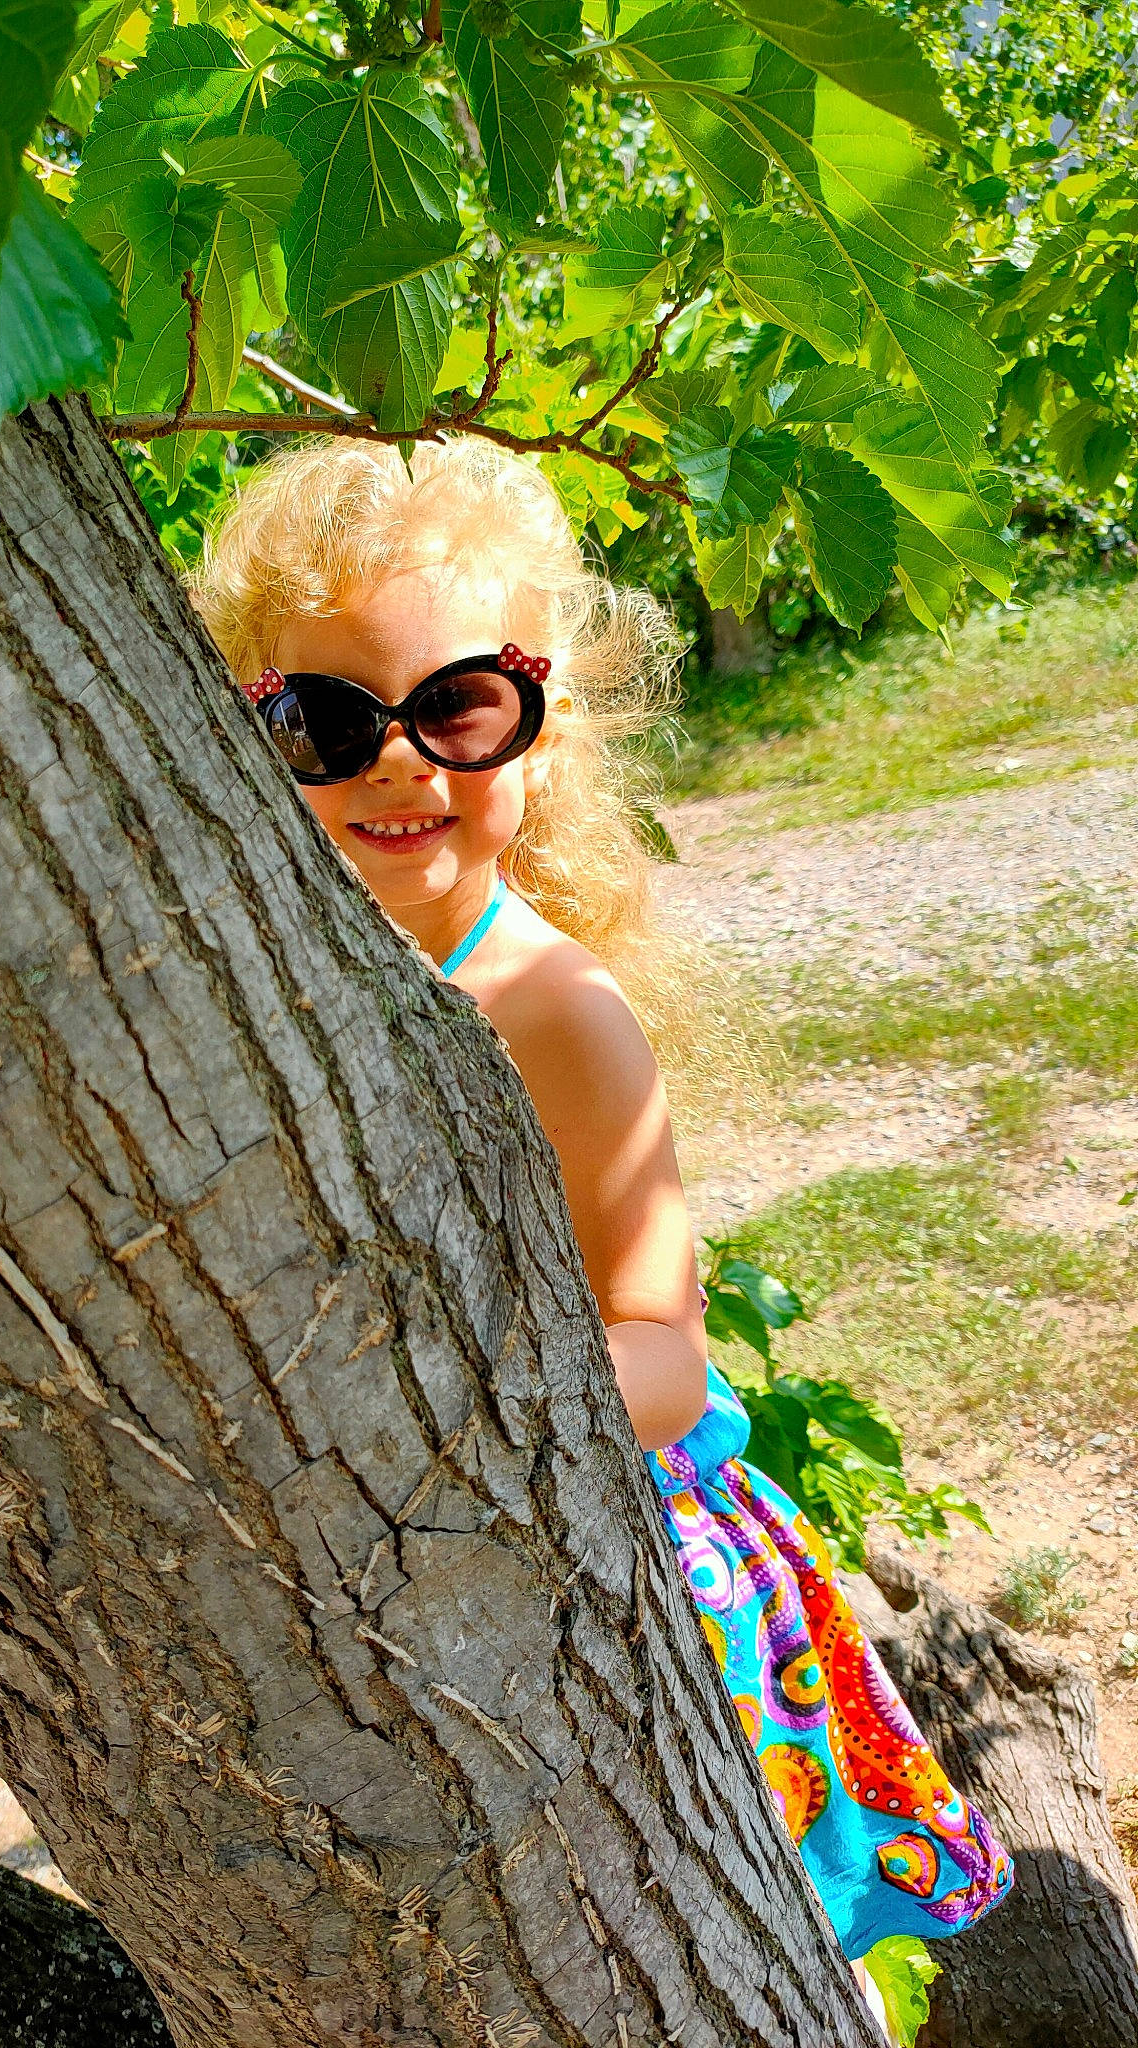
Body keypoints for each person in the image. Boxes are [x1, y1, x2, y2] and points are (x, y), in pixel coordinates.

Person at [189, 435, 1012, 1993]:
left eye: (457, 709)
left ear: (540, 730)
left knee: (666, 1946)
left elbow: (670, 1355)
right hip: (424, 1541)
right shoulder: (273, 975)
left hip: (621, 1539)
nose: (397, 765)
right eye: (326, 722)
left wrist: (464, 1420)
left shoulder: (552, 1009)